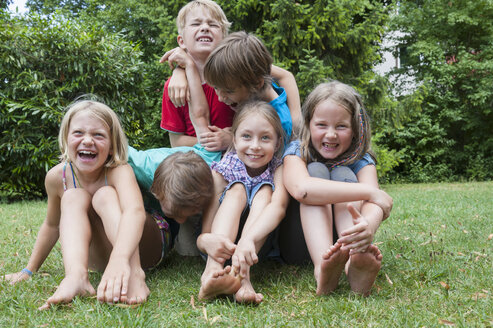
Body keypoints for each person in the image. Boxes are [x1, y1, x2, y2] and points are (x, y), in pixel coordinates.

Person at [2, 100, 151, 309]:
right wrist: (28, 270)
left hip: (143, 248)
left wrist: (122, 260)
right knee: (73, 196)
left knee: (105, 195)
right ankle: (76, 277)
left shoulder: (119, 171)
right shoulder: (57, 177)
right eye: (78, 133)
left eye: (98, 135)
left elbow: (135, 212)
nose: (87, 141)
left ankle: (134, 273)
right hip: (100, 257)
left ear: (111, 146)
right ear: (65, 139)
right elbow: (52, 225)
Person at [282, 81, 393, 296]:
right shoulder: (297, 151)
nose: (331, 134)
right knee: (316, 170)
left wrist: (368, 225)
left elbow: (377, 205)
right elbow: (302, 189)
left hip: (343, 242)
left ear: (354, 130)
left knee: (343, 174)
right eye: (321, 125)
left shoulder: (362, 159)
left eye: (341, 126)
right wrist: (369, 191)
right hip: (298, 244)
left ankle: (353, 264)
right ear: (308, 124)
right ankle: (321, 269)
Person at [160, 0, 301, 151]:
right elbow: (176, 142)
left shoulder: (238, 66)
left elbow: (284, 76)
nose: (205, 28)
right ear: (181, 41)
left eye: (213, 24)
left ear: (224, 38)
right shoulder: (175, 86)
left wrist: (296, 124)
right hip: (201, 159)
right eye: (196, 24)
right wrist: (181, 69)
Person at [197, 100, 290, 304]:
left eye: (265, 138)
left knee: (265, 191)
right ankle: (212, 271)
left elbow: (279, 207)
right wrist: (205, 242)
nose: (255, 146)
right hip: (219, 248)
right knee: (237, 189)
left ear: (277, 143)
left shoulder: (279, 168)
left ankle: (243, 277)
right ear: (235, 139)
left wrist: (248, 240)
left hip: (254, 249)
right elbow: (206, 229)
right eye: (246, 136)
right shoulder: (223, 168)